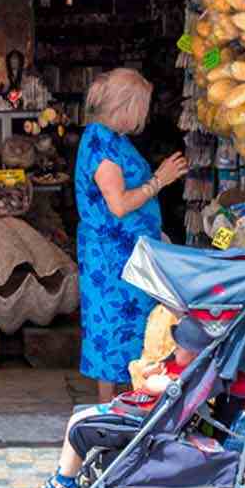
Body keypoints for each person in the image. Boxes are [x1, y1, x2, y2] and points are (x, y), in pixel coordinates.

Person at [75, 68, 189, 403]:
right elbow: (120, 205)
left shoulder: (113, 139)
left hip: (130, 249)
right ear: (126, 106)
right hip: (112, 255)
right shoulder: (101, 145)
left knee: (133, 323)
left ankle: (131, 394)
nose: (144, 115)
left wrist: (155, 232)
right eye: (141, 106)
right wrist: (160, 180)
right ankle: (109, 404)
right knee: (111, 325)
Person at [28, 316, 212, 488]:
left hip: (138, 418)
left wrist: (157, 378)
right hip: (132, 409)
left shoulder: (181, 377)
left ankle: (64, 481)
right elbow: (147, 374)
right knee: (79, 414)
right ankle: (65, 475)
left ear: (195, 355)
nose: (174, 350)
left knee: (78, 422)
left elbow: (153, 386)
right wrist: (157, 367)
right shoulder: (173, 366)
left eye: (179, 348)